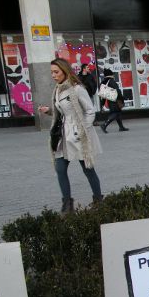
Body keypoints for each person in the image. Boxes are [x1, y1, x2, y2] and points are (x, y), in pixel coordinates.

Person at [37, 58, 103, 214]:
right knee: (60, 168)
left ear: (65, 71)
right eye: (52, 72)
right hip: (63, 135)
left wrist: (82, 130)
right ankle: (67, 205)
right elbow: (62, 112)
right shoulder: (58, 89)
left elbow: (90, 111)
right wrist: (49, 110)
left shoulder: (77, 89)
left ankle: (99, 201)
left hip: (78, 135)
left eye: (56, 72)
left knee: (88, 169)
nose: (53, 75)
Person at [99, 68, 129, 133]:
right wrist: (122, 98)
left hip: (110, 100)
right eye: (112, 74)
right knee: (115, 113)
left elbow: (103, 95)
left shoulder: (104, 82)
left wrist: (102, 104)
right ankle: (104, 125)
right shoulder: (112, 81)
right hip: (115, 100)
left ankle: (121, 127)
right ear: (111, 75)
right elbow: (118, 91)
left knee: (118, 113)